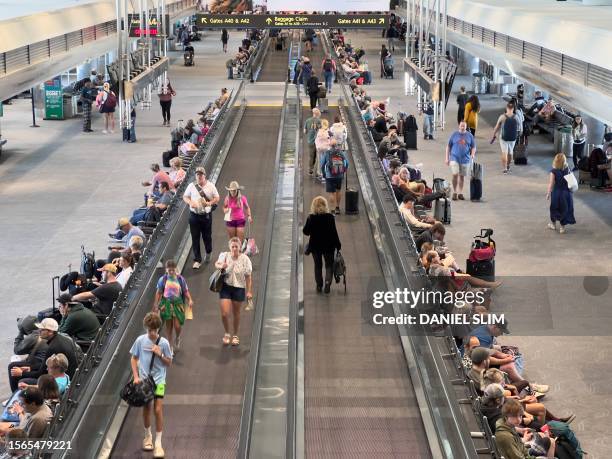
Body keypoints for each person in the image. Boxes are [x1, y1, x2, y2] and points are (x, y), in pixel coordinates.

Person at [130, 312, 172, 458]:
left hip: (159, 381)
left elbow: (169, 363)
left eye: (154, 330)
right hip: (145, 381)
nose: (152, 333)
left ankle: (159, 443)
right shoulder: (140, 341)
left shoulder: (164, 343)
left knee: (158, 409)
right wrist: (136, 377)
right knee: (147, 408)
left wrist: (160, 354)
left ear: (158, 328)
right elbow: (134, 359)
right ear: (146, 328)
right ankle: (147, 436)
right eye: (149, 330)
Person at [215, 238, 253, 346]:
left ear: (240, 247)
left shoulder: (245, 259)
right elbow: (216, 264)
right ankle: (227, 333)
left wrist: (249, 291)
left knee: (236, 313)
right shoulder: (224, 256)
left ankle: (235, 335)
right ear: (230, 247)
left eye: (236, 246)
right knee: (224, 313)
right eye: (233, 246)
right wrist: (221, 266)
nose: (235, 248)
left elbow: (248, 276)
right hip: (226, 287)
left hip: (239, 288)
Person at [303, 196, 342, 294]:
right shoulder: (330, 217)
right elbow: (334, 233)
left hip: (315, 247)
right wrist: (338, 245)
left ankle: (319, 285)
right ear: (325, 205)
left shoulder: (311, 218)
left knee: (318, 265)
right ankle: (328, 282)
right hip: (329, 246)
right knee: (329, 265)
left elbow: (306, 232)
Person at [183, 167, 220, 269]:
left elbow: (217, 198)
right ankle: (197, 259)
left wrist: (209, 203)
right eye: (197, 175)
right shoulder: (191, 186)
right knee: (195, 238)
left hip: (206, 216)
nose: (199, 176)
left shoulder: (211, 186)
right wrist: (191, 202)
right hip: (194, 215)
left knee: (207, 237)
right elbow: (185, 196)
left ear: (205, 175)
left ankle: (208, 252)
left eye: (201, 174)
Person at [153, 259, 193, 353]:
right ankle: (170, 347)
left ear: (175, 269)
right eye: (169, 270)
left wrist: (190, 299)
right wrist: (156, 304)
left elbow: (185, 290)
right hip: (166, 304)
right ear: (166, 269)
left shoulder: (180, 279)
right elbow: (158, 292)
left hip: (178, 304)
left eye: (173, 270)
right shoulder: (163, 279)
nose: (171, 272)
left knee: (177, 326)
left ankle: (178, 337)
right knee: (169, 327)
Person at [446, 121, 476, 200]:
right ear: (459, 126)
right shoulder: (454, 135)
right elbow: (448, 147)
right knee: (455, 174)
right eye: (461, 126)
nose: (463, 128)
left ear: (466, 127)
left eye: (464, 126)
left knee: (462, 176)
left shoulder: (470, 136)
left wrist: (472, 154)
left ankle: (460, 192)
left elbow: (473, 147)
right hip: (454, 158)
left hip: (465, 159)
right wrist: (447, 158)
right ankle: (455, 192)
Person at [546, 153, 576, 234]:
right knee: (564, 209)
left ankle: (553, 224)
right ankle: (562, 228)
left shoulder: (553, 171)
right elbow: (571, 182)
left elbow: (551, 184)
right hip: (566, 193)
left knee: (554, 208)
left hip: (557, 193)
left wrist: (548, 193)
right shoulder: (568, 169)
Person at [320, 139, 349, 215]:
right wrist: (343, 170)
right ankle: (337, 208)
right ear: (336, 145)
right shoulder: (341, 152)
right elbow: (347, 163)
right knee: (338, 191)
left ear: (330, 145)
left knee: (332, 193)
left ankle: (332, 210)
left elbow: (322, 164)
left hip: (329, 176)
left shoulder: (327, 153)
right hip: (339, 175)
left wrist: (324, 174)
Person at [492, 102, 520, 174]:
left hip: (503, 137)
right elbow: (520, 128)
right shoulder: (516, 117)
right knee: (510, 153)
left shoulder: (502, 117)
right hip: (513, 138)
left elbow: (497, 127)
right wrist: (518, 135)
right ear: (513, 109)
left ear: (506, 108)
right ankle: (508, 166)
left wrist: (494, 134)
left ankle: (505, 169)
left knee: (504, 152)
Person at [304, 108, 323, 177]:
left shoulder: (307, 120)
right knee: (318, 156)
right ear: (318, 114)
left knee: (311, 156)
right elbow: (321, 131)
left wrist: (310, 132)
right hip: (318, 142)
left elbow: (305, 131)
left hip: (310, 141)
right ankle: (318, 171)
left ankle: (310, 170)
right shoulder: (319, 121)